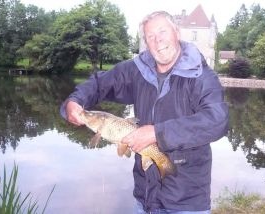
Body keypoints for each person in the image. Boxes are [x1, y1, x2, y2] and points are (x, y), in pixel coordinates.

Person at [60, 10, 229, 214]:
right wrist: (74, 101)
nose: (158, 41)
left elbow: (217, 121)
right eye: (150, 36)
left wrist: (157, 133)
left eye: (162, 32)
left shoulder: (201, 76)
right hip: (144, 198)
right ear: (146, 42)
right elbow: (99, 83)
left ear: (176, 32)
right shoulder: (137, 70)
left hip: (187, 201)